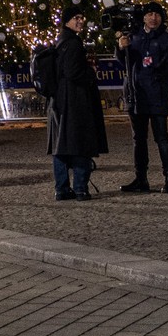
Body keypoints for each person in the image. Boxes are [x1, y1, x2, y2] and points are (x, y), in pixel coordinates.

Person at [118, 4, 168, 193]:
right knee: (138, 139)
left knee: (161, 138)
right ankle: (141, 178)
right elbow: (124, 62)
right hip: (136, 94)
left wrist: (158, 71)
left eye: (157, 14)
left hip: (157, 95)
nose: (153, 17)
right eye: (149, 14)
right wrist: (121, 49)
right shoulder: (134, 37)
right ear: (144, 17)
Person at [42, 12, 107, 200]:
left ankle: (61, 189)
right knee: (81, 143)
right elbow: (73, 72)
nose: (80, 21)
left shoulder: (60, 41)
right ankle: (80, 188)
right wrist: (90, 71)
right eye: (75, 18)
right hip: (75, 100)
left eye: (81, 17)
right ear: (67, 21)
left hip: (58, 100)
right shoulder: (73, 43)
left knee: (61, 145)